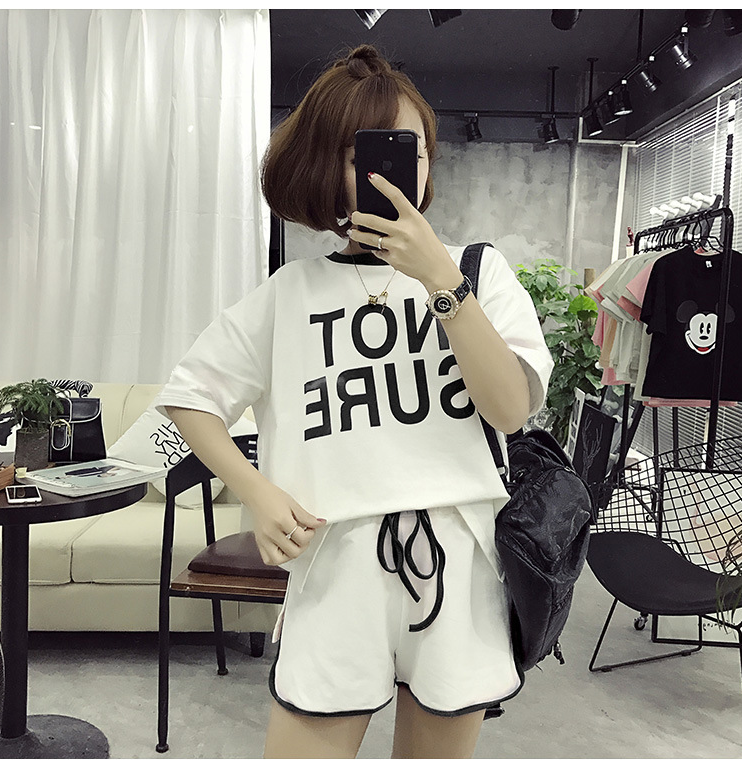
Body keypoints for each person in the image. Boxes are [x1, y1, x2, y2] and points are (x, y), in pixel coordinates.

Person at [157, 44, 553, 760]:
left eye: (411, 150)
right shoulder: (290, 293)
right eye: (362, 152)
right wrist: (256, 490)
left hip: (456, 560)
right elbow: (191, 395)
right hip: (335, 563)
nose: (391, 170)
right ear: (329, 165)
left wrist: (440, 279)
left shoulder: (478, 272)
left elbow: (509, 409)